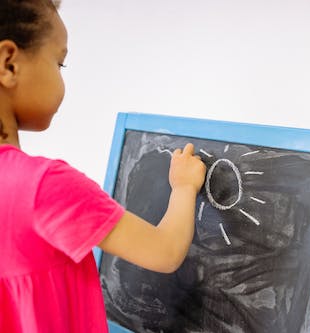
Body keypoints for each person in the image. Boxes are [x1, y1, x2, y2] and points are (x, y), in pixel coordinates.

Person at [0, 1, 206, 332]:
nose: (60, 74)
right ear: (8, 63)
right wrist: (184, 187)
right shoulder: (44, 186)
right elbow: (165, 252)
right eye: (59, 62)